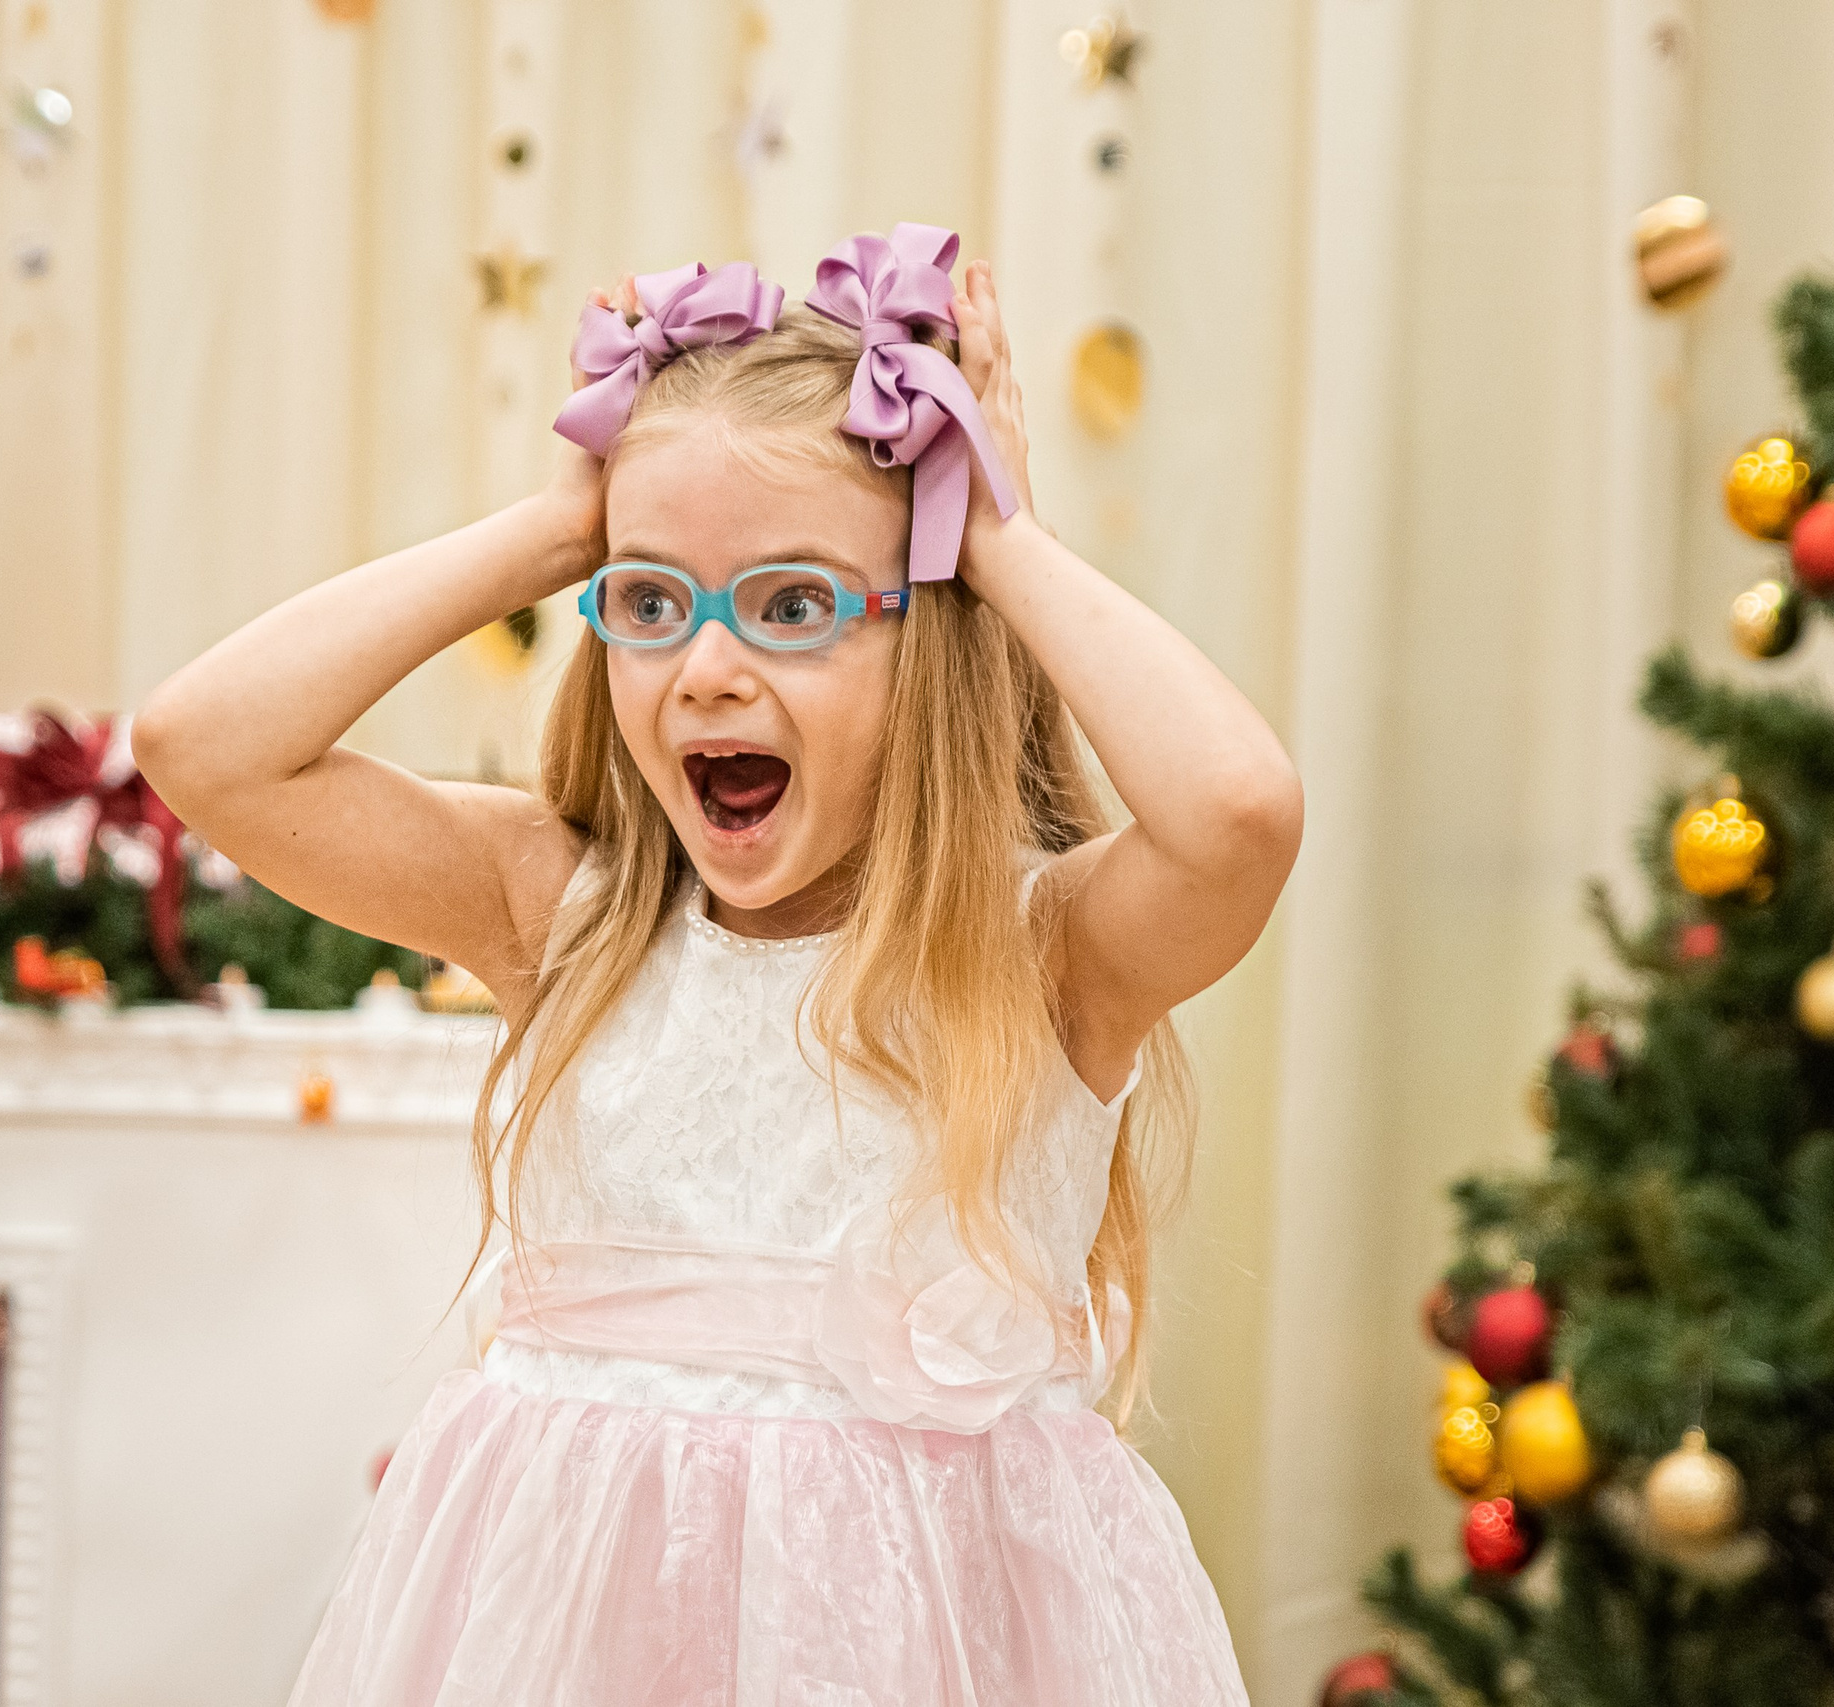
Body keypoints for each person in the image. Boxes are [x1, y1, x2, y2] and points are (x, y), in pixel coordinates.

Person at [135, 222, 1297, 1706]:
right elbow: (203, 746)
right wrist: (561, 530)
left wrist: (1000, 543)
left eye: (796, 605)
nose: (708, 668)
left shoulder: (1045, 958)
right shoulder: (563, 919)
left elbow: (1239, 816)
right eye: (650, 603)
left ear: (933, 634)